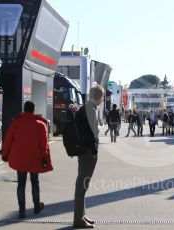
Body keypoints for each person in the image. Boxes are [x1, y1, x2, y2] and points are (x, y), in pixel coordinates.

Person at [2, 101, 53, 219]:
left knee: (21, 184)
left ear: (24, 110)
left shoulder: (16, 122)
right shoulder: (40, 124)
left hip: (20, 159)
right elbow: (44, 145)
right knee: (35, 182)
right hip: (35, 159)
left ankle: (22, 210)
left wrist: (5, 155)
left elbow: (8, 140)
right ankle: (36, 205)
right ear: (34, 110)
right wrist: (44, 158)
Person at [73, 85, 104, 228]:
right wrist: (94, 151)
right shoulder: (90, 109)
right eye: (102, 97)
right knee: (82, 185)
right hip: (87, 152)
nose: (102, 99)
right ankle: (78, 219)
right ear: (98, 97)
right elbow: (92, 133)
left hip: (83, 151)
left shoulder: (86, 108)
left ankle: (81, 215)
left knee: (82, 184)